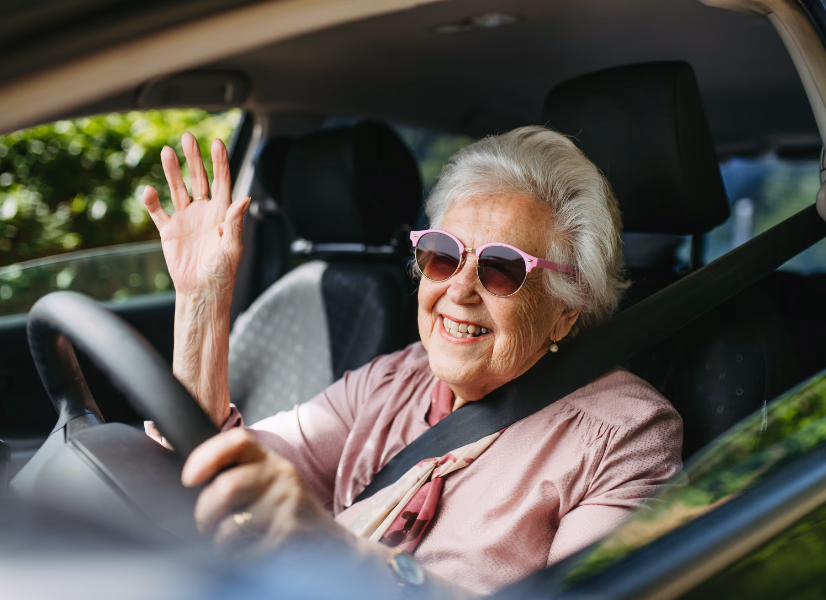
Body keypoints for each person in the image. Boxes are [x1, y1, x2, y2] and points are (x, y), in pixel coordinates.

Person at [142, 126, 683, 596]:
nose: (460, 290)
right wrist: (203, 301)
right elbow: (213, 468)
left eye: (501, 269)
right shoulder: (393, 379)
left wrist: (338, 550)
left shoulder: (623, 436)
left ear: (567, 311)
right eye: (443, 255)